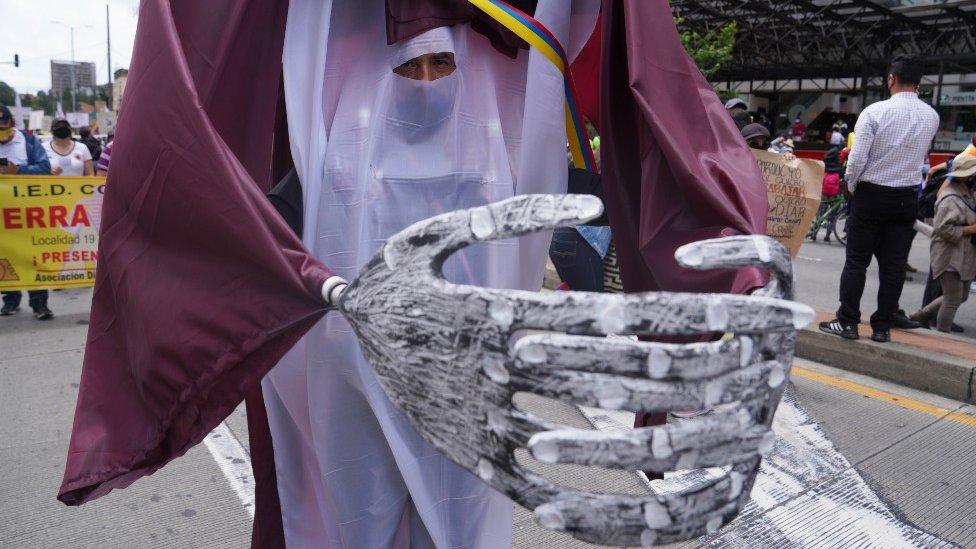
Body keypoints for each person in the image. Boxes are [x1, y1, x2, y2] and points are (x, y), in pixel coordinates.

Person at [820, 57, 939, 342]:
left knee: (856, 261)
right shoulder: (931, 116)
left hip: (871, 194)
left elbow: (858, 157)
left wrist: (850, 184)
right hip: (906, 197)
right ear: (919, 84)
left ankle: (848, 322)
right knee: (893, 266)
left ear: (891, 79)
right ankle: (882, 328)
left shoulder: (874, 112)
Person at [908, 155, 976, 331]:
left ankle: (922, 314)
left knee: (960, 295)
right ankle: (942, 336)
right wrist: (970, 229)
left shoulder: (966, 191)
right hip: (949, 254)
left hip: (963, 253)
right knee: (953, 298)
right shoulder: (950, 198)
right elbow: (943, 229)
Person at [0, 105, 54, 320]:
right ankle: (10, 300)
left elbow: (44, 167)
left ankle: (40, 303)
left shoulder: (28, 141)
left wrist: (19, 170)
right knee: (5, 256)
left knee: (34, 256)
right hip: (3, 216)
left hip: (29, 213)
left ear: (11, 124)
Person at [807, 141, 844, 242]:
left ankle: (814, 234)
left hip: (823, 193)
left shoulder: (825, 167)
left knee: (821, 214)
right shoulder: (839, 170)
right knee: (832, 216)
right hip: (835, 195)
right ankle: (827, 236)